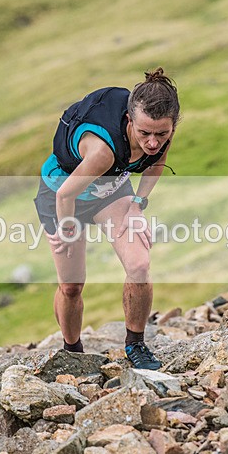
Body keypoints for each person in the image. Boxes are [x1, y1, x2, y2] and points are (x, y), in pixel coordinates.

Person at [34, 68, 180, 369]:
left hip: (111, 190)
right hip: (62, 193)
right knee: (72, 285)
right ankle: (73, 351)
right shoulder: (103, 152)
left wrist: (137, 204)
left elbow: (156, 163)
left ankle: (135, 344)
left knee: (139, 265)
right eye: (144, 134)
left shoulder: (162, 135)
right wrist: (67, 229)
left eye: (161, 134)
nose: (153, 142)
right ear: (129, 121)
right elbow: (65, 195)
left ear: (171, 127)